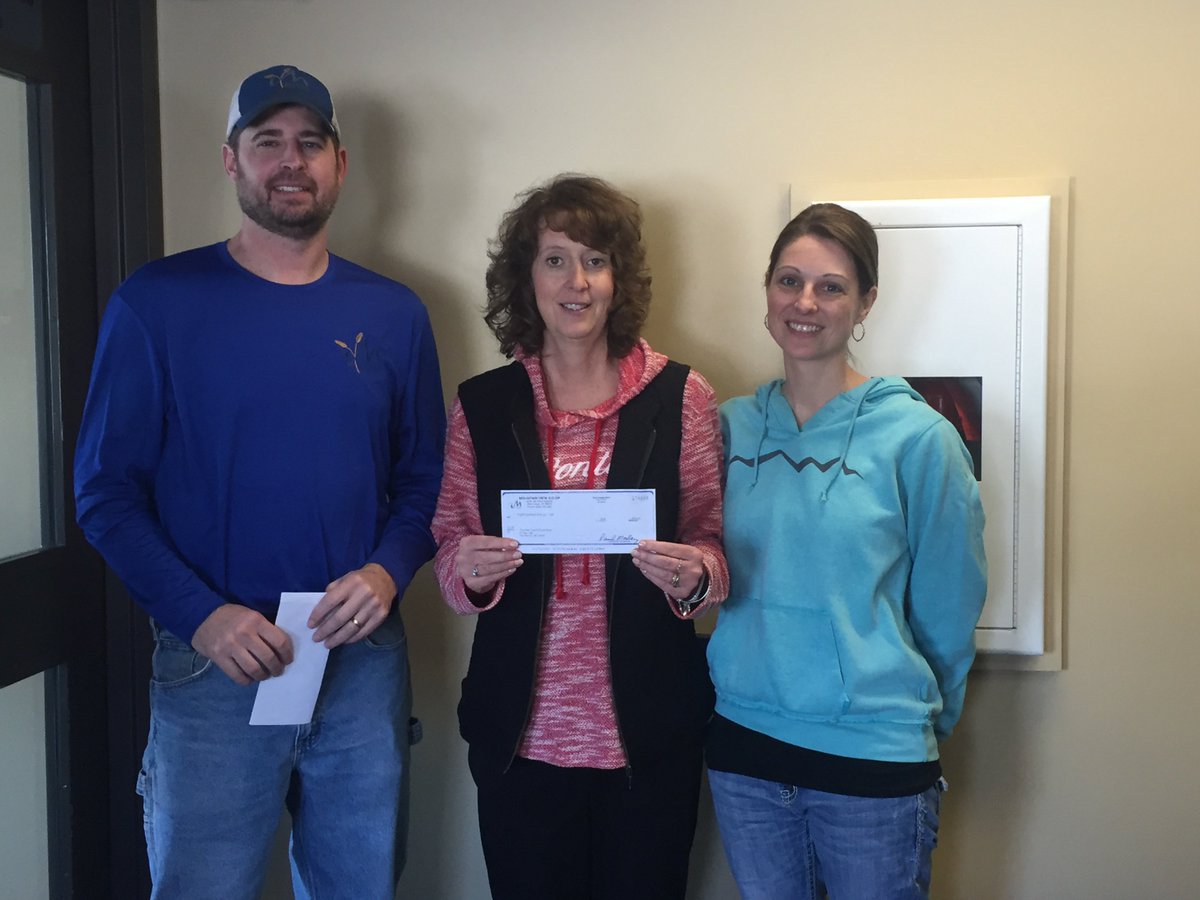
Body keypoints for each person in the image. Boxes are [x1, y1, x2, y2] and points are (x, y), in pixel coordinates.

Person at [74, 64, 445, 899]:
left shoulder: (395, 314)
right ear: (231, 160)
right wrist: (202, 617)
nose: (290, 160)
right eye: (267, 141)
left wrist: (387, 571)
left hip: (359, 658)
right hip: (215, 666)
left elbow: (426, 480)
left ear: (340, 165)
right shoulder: (156, 303)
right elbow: (104, 493)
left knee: (360, 886)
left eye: (310, 143)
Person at [431, 174, 728, 900]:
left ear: (618, 278)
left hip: (649, 736)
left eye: (595, 261)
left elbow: (714, 546)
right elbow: (447, 545)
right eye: (556, 259)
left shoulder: (680, 396)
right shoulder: (484, 403)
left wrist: (695, 575)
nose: (577, 281)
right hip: (519, 741)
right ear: (525, 277)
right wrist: (468, 570)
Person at [705, 202, 987, 899]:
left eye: (831, 286)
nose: (806, 302)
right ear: (766, 290)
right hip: (745, 754)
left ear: (866, 303)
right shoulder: (725, 429)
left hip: (874, 764)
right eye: (788, 280)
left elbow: (950, 608)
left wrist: (908, 719)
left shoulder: (920, 439)